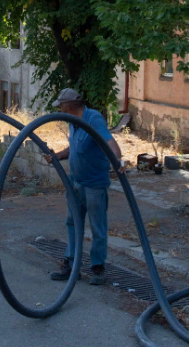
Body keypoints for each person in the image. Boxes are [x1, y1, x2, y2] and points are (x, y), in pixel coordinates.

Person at [42, 88, 126, 285]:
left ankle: (98, 267)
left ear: (68, 107)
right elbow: (75, 147)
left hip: (94, 184)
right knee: (73, 223)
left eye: (61, 106)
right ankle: (72, 264)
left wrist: (118, 160)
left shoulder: (93, 119)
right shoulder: (74, 123)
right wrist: (57, 156)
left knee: (97, 226)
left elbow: (109, 141)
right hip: (75, 183)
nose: (60, 110)